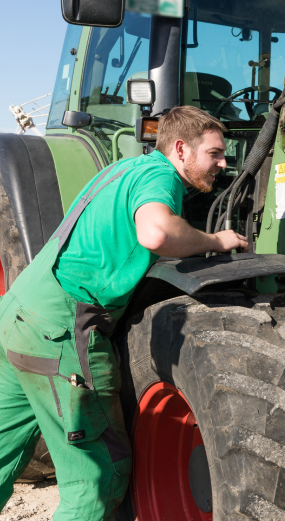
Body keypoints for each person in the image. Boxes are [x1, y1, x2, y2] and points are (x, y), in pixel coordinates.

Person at [0, 106, 247, 520]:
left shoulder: (128, 167)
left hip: (18, 314)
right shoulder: (160, 176)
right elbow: (156, 232)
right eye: (215, 153)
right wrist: (216, 240)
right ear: (181, 149)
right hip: (60, 329)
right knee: (98, 478)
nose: (224, 163)